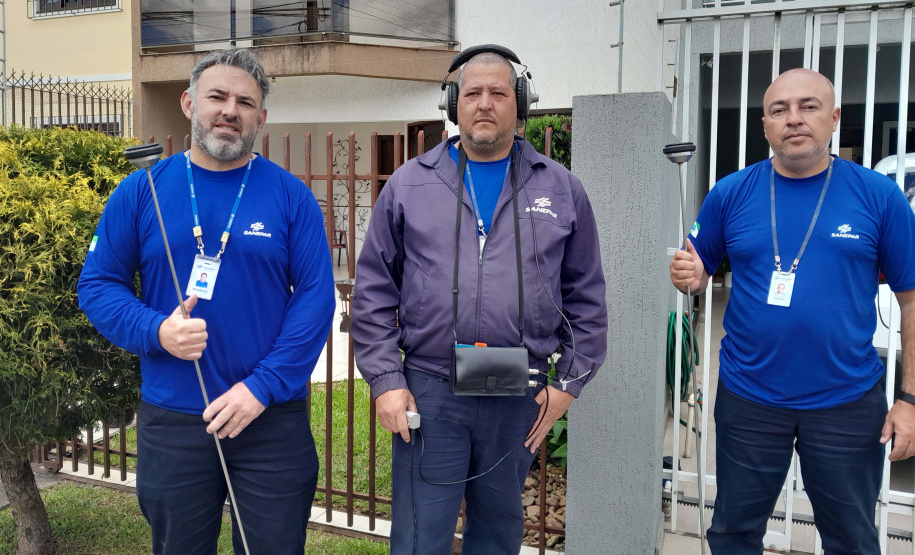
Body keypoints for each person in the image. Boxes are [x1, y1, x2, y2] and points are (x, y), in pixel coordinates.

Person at [350, 45, 607, 554]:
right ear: (453, 102)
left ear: (522, 103)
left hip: (519, 392)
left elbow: (587, 296)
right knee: (422, 534)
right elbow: (374, 290)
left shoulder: (560, 189)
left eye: (499, 93)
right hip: (429, 389)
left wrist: (569, 385)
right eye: (472, 93)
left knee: (498, 531)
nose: (485, 104)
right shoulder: (408, 184)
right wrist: (385, 380)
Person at [78, 48, 334, 555]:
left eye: (245, 102)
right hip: (174, 418)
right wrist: (157, 330)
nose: (229, 110)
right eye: (217, 96)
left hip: (269, 418)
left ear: (260, 118)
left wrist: (261, 388)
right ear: (189, 102)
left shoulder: (291, 196)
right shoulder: (140, 190)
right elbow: (98, 284)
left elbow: (314, 299)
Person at [670, 68, 915, 553]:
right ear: (765, 125)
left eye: (809, 106)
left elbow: (911, 300)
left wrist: (909, 400)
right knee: (734, 534)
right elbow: (697, 267)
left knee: (851, 539)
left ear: (834, 118)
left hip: (846, 402)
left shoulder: (879, 196)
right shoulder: (730, 193)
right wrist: (689, 276)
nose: (794, 119)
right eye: (780, 110)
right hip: (749, 399)